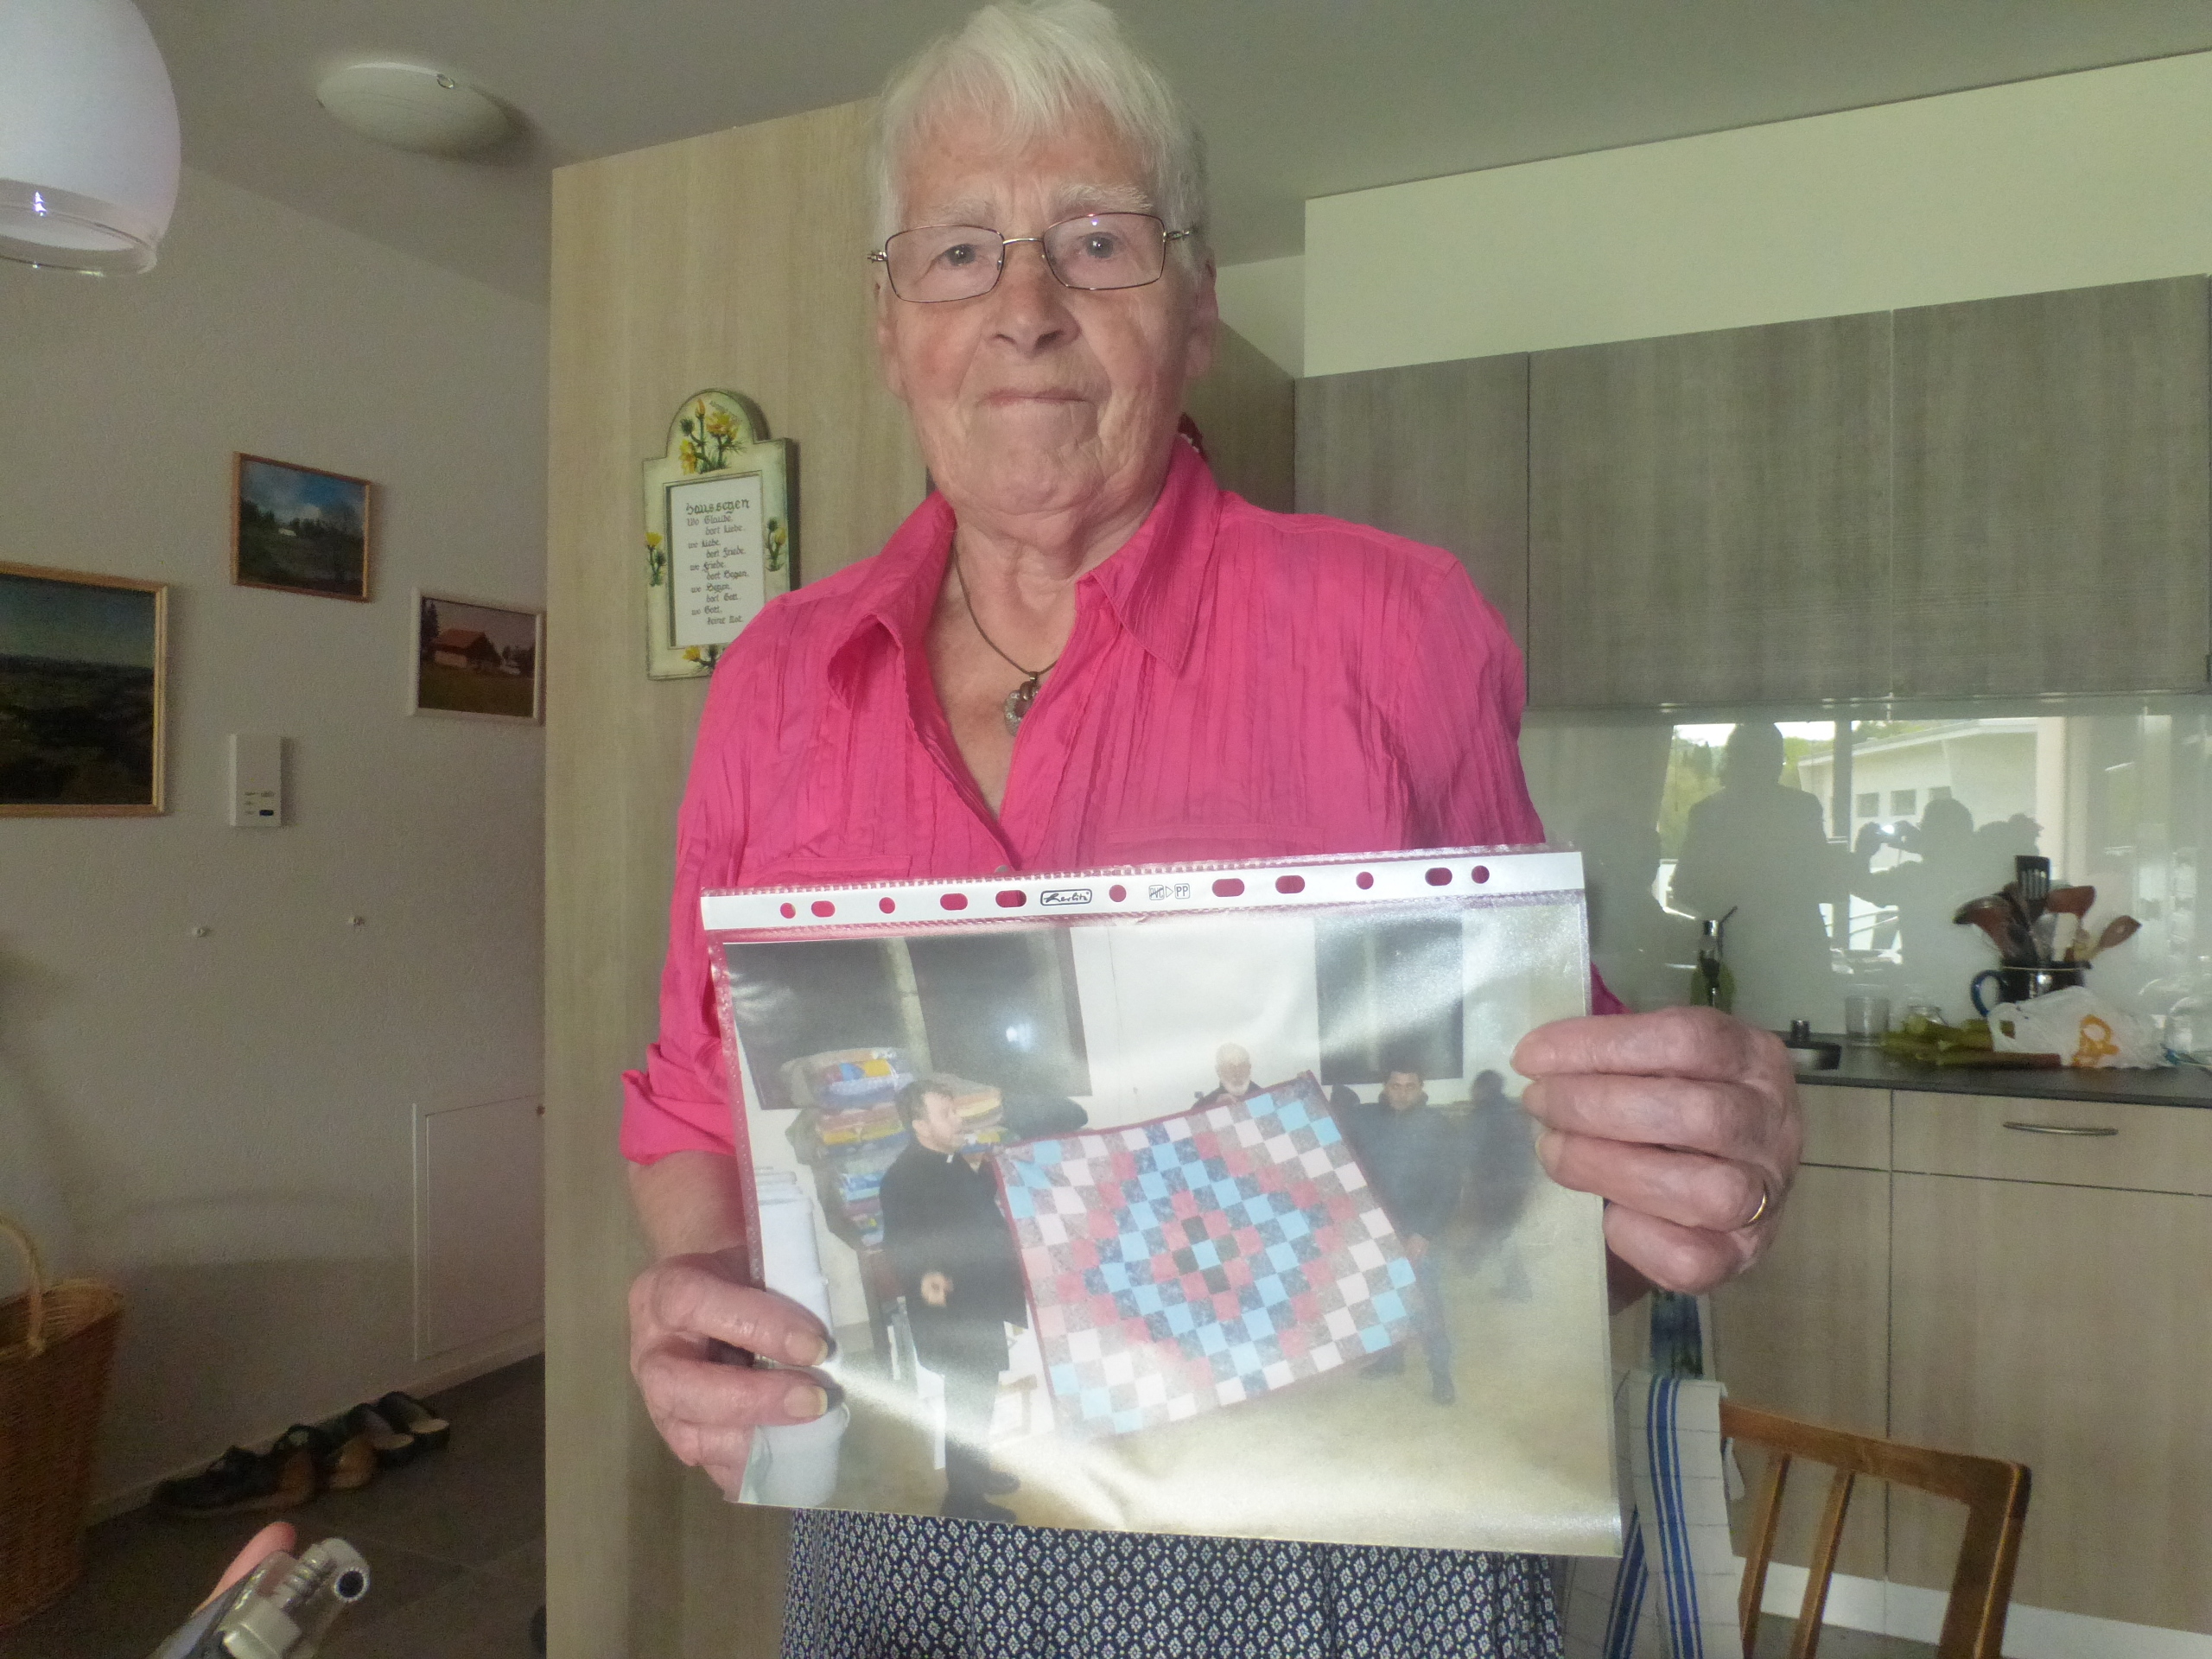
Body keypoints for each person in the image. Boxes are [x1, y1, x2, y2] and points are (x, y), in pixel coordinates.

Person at [622, 4, 1802, 1653]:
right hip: (907, 1540)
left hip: (1344, 1542)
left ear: (1194, 306)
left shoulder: (1393, 625)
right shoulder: (773, 678)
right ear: (892, 324)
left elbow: (1540, 1150)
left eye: (1096, 243)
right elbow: (692, 1094)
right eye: (961, 252)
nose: (1025, 309)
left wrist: (1670, 1165)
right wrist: (703, 1301)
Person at [879, 1077, 1030, 1522]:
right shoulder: (901, 1178)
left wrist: (983, 1170)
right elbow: (900, 1244)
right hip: (951, 1310)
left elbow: (969, 1211)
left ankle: (976, 1473)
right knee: (966, 1400)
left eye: (956, 1110)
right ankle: (962, 1502)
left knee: (980, 1394)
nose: (958, 1119)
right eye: (947, 1114)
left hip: (977, 1300)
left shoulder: (950, 1161)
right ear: (919, 1123)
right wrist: (925, 1276)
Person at [1668, 721, 1839, 1027]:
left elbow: (1822, 879)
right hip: (1743, 953)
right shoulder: (1796, 808)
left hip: (1785, 951)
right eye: (1759, 757)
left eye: (1771, 757)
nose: (1767, 766)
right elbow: (1684, 886)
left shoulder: (1797, 809)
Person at [1343, 1065, 1465, 1403]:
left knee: (1427, 1305)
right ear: (1385, 1086)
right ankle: (1391, 1358)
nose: (1402, 1092)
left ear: (1421, 1087)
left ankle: (1441, 1376)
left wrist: (1424, 1233)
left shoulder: (1440, 1127)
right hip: (1374, 1230)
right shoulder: (1362, 1119)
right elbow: (1321, 1133)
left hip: (1417, 1233)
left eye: (1410, 1086)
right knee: (1383, 1300)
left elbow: (1449, 1186)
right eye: (1395, 1085)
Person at [1196, 1040, 1257, 1104]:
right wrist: (1216, 1108)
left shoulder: (1267, 1098)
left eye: (1241, 1066)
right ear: (1218, 1071)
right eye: (1230, 1068)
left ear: (1249, 1067)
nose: (1237, 1073)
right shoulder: (1202, 1108)